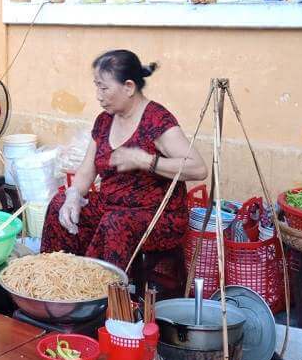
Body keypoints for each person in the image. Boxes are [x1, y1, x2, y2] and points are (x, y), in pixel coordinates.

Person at [41, 49, 207, 270]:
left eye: (104, 88)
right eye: (96, 86)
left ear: (128, 87)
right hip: (111, 206)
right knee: (59, 205)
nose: (98, 96)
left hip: (156, 216)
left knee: (116, 223)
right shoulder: (104, 121)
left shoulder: (156, 120)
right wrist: (73, 196)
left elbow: (198, 168)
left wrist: (145, 160)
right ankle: (57, 278)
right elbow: (86, 171)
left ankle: (103, 288)